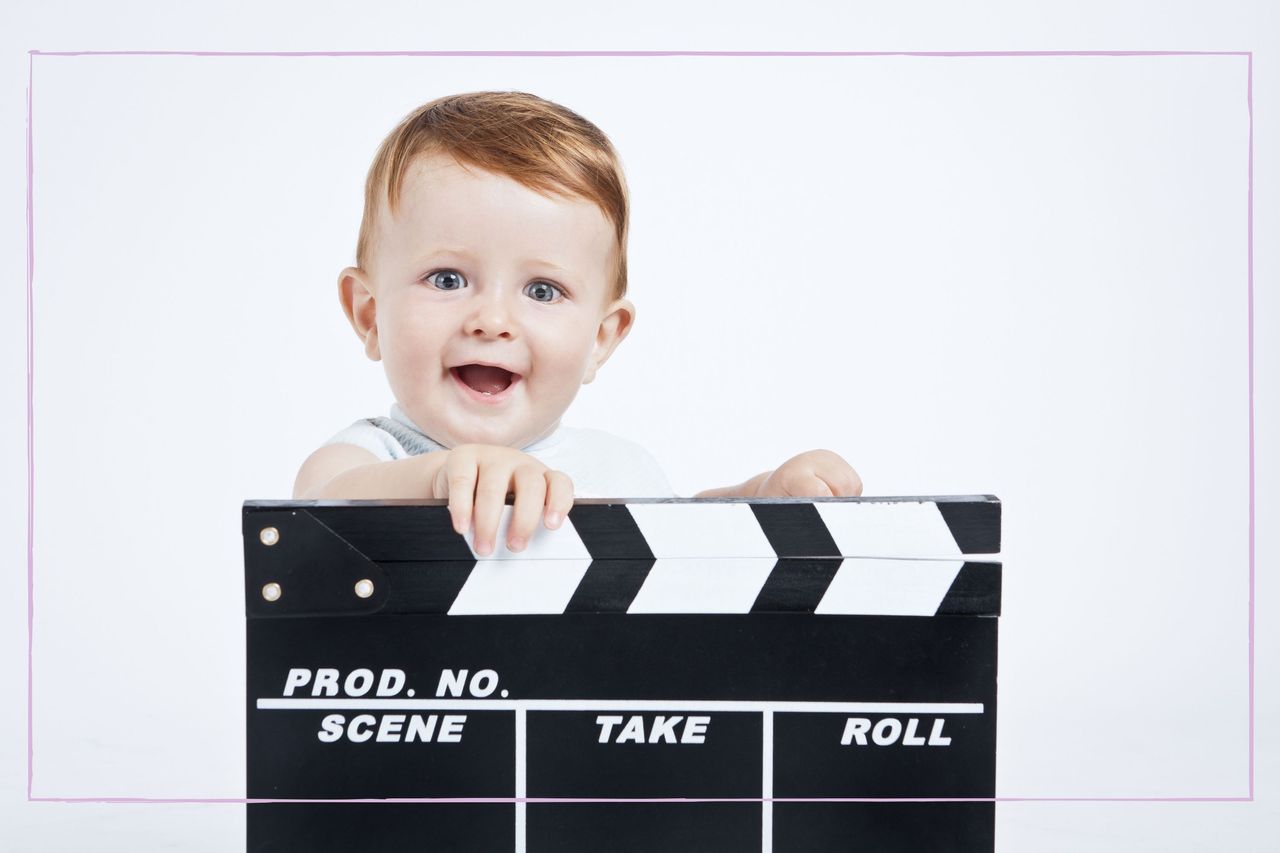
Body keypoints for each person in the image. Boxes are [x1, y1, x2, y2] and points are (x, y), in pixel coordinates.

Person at [293, 91, 862, 556]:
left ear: (600, 339)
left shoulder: (620, 467)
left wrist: (760, 496)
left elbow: (687, 540)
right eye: (446, 279)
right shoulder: (369, 455)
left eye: (543, 290)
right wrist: (440, 478)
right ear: (369, 313)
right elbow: (315, 512)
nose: (492, 321)